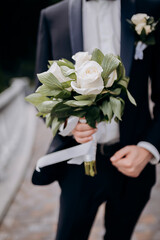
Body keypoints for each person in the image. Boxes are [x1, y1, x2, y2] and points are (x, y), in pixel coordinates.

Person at [32, 0, 160, 239]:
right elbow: (42, 96)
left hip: (134, 163)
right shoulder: (53, 16)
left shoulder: (151, 9)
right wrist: (69, 125)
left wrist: (149, 148)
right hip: (76, 165)